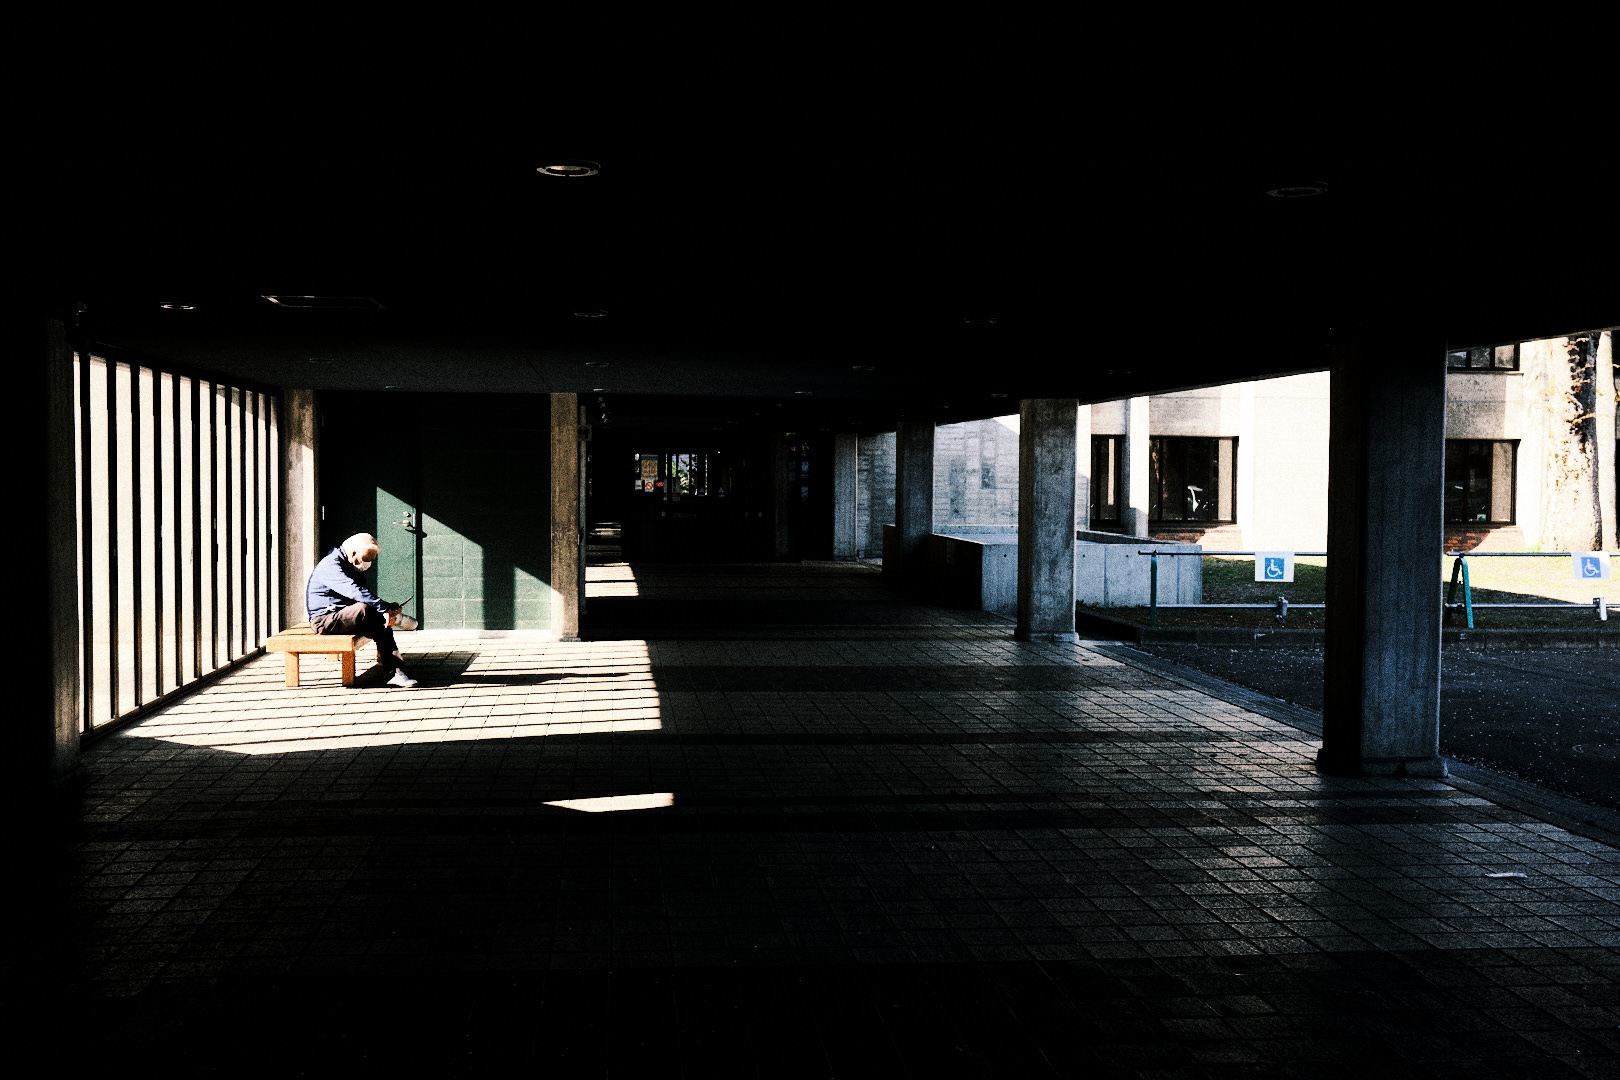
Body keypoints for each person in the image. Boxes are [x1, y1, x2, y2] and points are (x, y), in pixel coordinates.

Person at [306, 533, 420, 688]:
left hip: (346, 616)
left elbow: (364, 594)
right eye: (367, 558)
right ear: (353, 553)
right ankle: (396, 619)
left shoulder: (351, 566)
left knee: (382, 624)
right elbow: (355, 591)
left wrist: (386, 608)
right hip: (324, 620)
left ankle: (394, 672)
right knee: (366, 609)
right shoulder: (331, 565)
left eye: (372, 559)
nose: (369, 563)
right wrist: (385, 608)